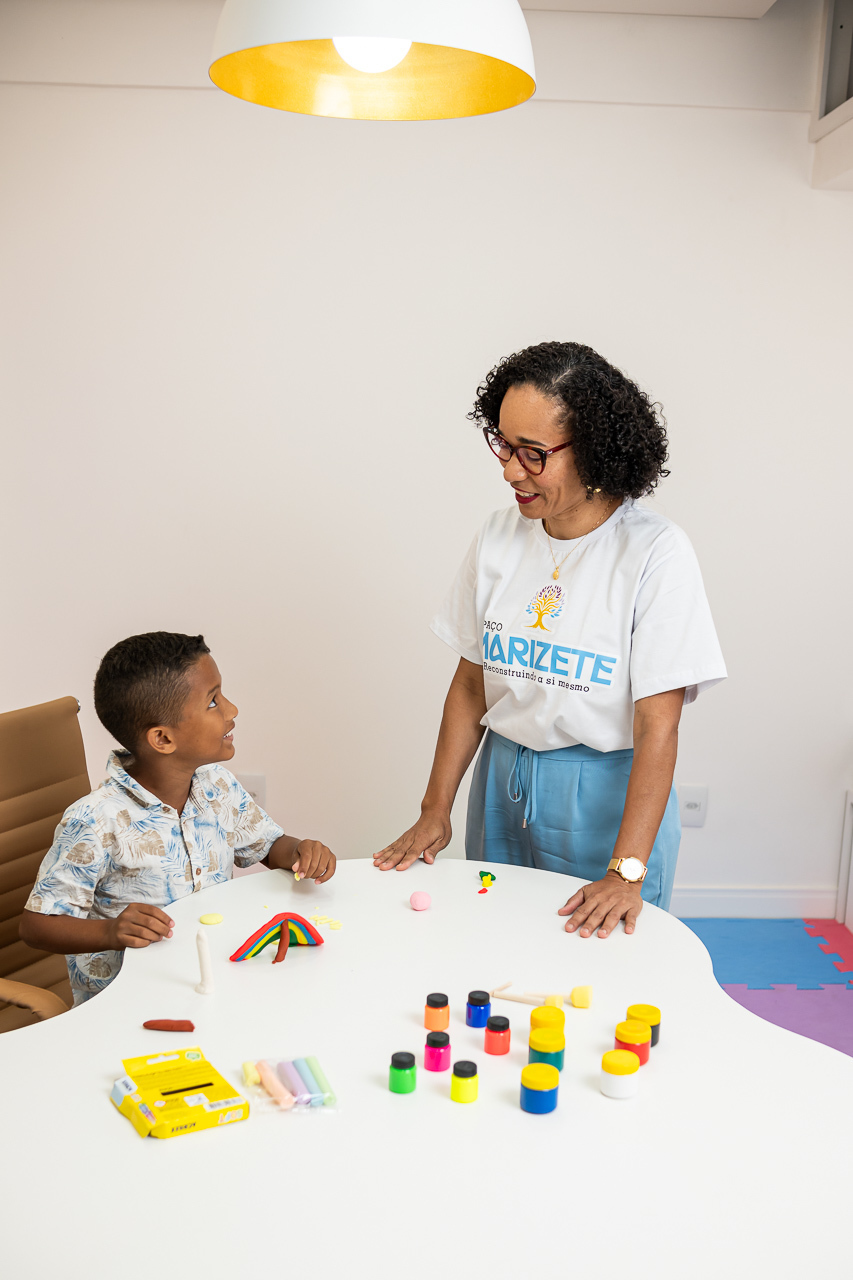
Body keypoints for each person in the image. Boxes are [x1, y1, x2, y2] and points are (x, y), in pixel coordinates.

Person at [375, 342, 726, 939]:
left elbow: (657, 726)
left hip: (608, 796)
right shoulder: (498, 536)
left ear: (594, 450)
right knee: (498, 948)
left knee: (605, 971)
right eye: (504, 445)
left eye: (533, 454)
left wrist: (626, 870)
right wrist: (435, 809)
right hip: (503, 782)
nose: (510, 470)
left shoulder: (655, 552)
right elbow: (470, 685)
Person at [20, 632, 336, 1003]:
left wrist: (301, 850)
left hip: (212, 976)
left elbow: (267, 847)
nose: (232, 710)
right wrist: (111, 932)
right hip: (130, 1002)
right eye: (213, 702)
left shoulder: (217, 785)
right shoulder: (95, 820)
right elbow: (36, 926)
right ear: (163, 739)